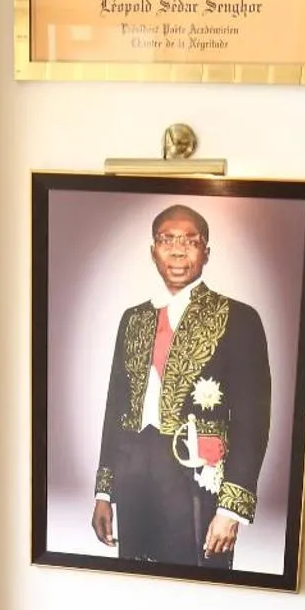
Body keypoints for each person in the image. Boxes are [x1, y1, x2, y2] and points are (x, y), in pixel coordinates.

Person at [91, 203, 271, 571]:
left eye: (190, 241)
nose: (177, 249)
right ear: (153, 250)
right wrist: (104, 492)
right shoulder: (134, 319)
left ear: (207, 251)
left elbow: (253, 420)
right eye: (166, 239)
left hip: (196, 480)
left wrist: (230, 508)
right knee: (137, 584)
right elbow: (116, 406)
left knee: (199, 587)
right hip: (134, 478)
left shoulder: (239, 318)